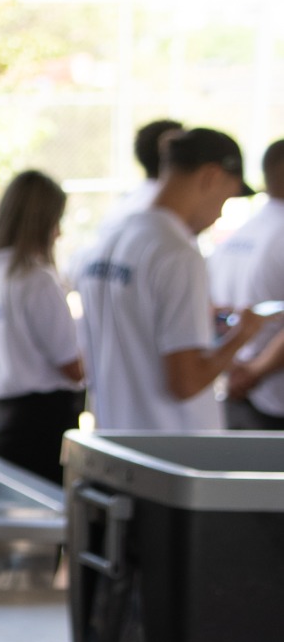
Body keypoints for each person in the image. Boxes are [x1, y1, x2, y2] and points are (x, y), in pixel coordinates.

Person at [73, 127, 265, 431]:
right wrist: (243, 333)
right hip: (170, 449)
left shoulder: (107, 241)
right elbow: (185, 382)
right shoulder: (177, 253)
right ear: (211, 177)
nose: (218, 215)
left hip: (114, 438)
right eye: (226, 199)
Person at [0, 170, 84, 484]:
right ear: (40, 221)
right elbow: (72, 365)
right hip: (44, 423)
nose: (58, 233)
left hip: (0, 419)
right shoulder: (37, 279)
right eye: (56, 220)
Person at [208, 138, 284, 429]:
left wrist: (235, 369)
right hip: (271, 398)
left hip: (234, 386)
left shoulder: (238, 235)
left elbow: (214, 311)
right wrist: (255, 371)